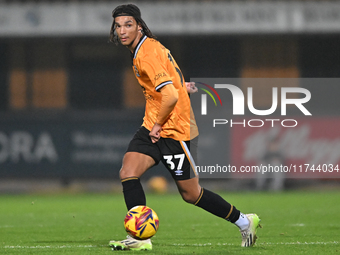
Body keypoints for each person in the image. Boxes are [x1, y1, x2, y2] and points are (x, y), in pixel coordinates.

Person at [108, 4, 261, 251]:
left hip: (175, 130)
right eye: (118, 26)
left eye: (128, 24)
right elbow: (171, 79)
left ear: (139, 25)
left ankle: (245, 221)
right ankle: (140, 238)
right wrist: (180, 87)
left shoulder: (146, 53)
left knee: (191, 194)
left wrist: (158, 124)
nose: (122, 30)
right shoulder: (146, 47)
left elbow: (169, 96)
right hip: (154, 125)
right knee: (128, 171)